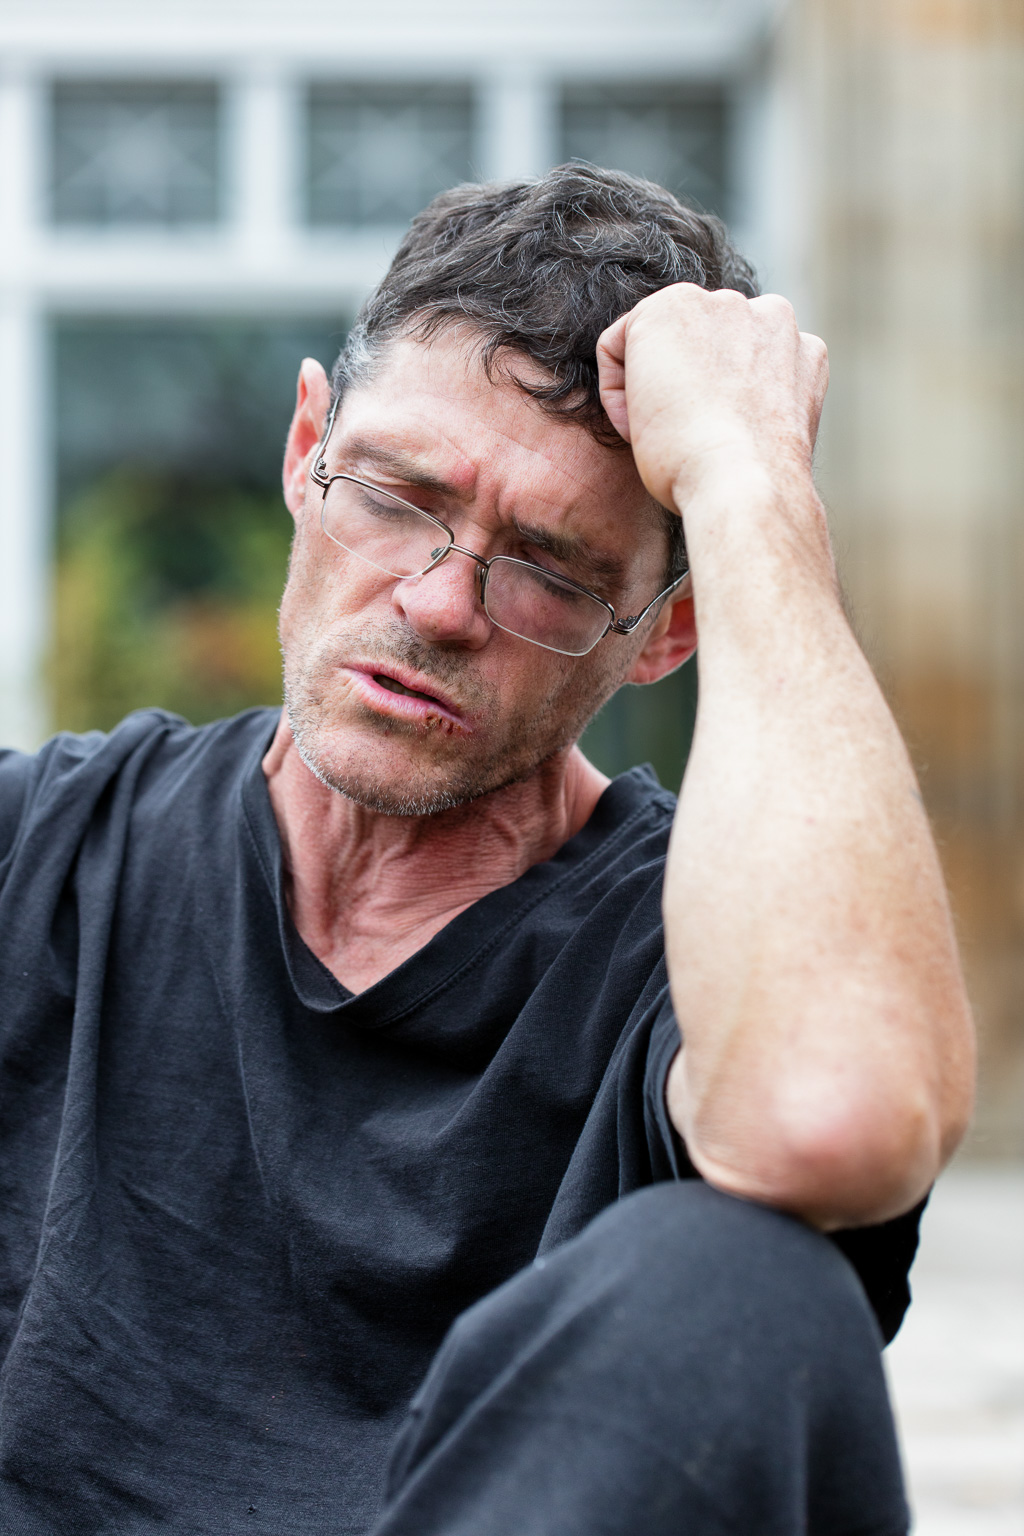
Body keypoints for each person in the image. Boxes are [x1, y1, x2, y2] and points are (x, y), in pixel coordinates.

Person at [0, 164, 973, 1535]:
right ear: (304, 453)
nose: (441, 602)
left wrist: (753, 493)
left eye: (551, 570)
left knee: (756, 1288)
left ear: (669, 635)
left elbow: (835, 1116)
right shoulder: (37, 856)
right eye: (393, 495)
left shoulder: (681, 969)